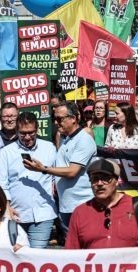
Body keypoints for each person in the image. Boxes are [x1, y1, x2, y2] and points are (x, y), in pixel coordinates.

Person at [26, 102, 96, 240]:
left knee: (85, 247)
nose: (56, 122)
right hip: (67, 205)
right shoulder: (66, 139)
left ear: (73, 118)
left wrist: (43, 169)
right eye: (55, 118)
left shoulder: (83, 140)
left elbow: (72, 171)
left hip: (82, 204)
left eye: (60, 119)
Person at [66, 158, 138, 250]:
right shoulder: (80, 212)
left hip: (131, 262)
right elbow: (71, 251)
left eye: (105, 178)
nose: (99, 183)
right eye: (95, 179)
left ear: (116, 181)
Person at [0, 112, 57, 249]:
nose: (27, 137)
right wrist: (7, 208)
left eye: (31, 133)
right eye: (23, 133)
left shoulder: (49, 148)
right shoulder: (6, 152)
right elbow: (1, 183)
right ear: (17, 131)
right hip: (16, 214)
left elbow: (56, 173)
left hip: (43, 214)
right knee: (16, 255)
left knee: (36, 256)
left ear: (37, 130)